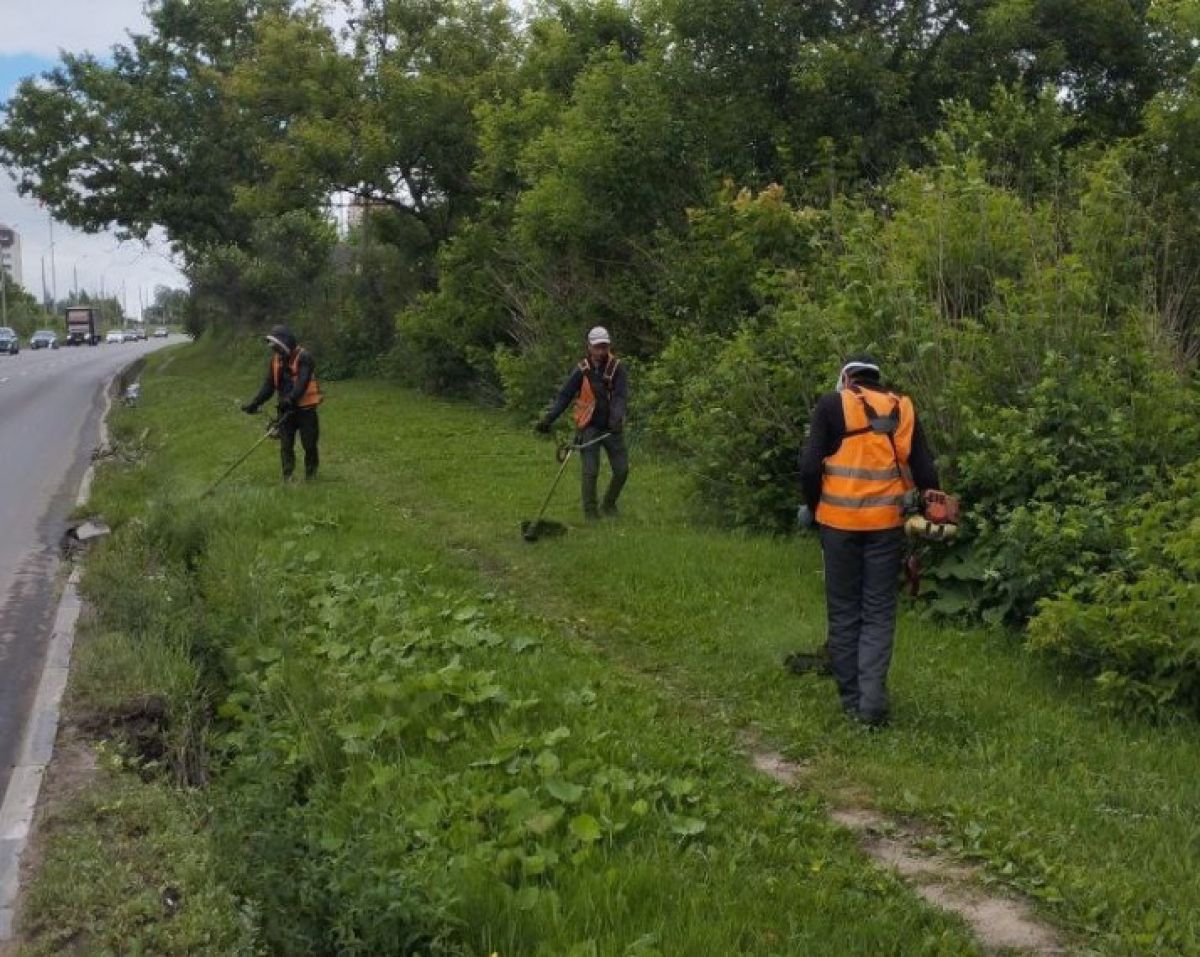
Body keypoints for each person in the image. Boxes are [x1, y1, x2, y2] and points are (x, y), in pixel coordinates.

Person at [797, 354, 940, 728]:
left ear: (846, 378)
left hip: (838, 526)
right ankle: (872, 704)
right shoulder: (902, 407)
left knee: (845, 611)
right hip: (887, 527)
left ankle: (852, 703)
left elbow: (809, 467)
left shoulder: (832, 404)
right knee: (878, 612)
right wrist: (929, 512)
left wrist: (813, 507)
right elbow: (926, 472)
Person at [536, 326, 629, 520]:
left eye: (604, 347)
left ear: (609, 346)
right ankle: (591, 513)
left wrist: (616, 418)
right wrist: (548, 419)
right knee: (590, 472)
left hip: (612, 429)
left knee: (622, 470)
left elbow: (620, 396)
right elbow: (565, 396)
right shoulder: (581, 370)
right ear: (589, 347)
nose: (601, 351)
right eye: (597, 347)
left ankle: (609, 504)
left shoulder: (617, 368)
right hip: (589, 427)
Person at [242, 324, 323, 481]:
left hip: (305, 409)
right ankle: (288, 475)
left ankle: (311, 475)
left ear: (286, 342)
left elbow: (302, 383)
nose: (275, 350)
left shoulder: (304, 357)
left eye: (277, 347)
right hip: (285, 410)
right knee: (286, 445)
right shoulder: (275, 360)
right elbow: (269, 385)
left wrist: (290, 399)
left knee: (309, 444)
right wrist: (255, 403)